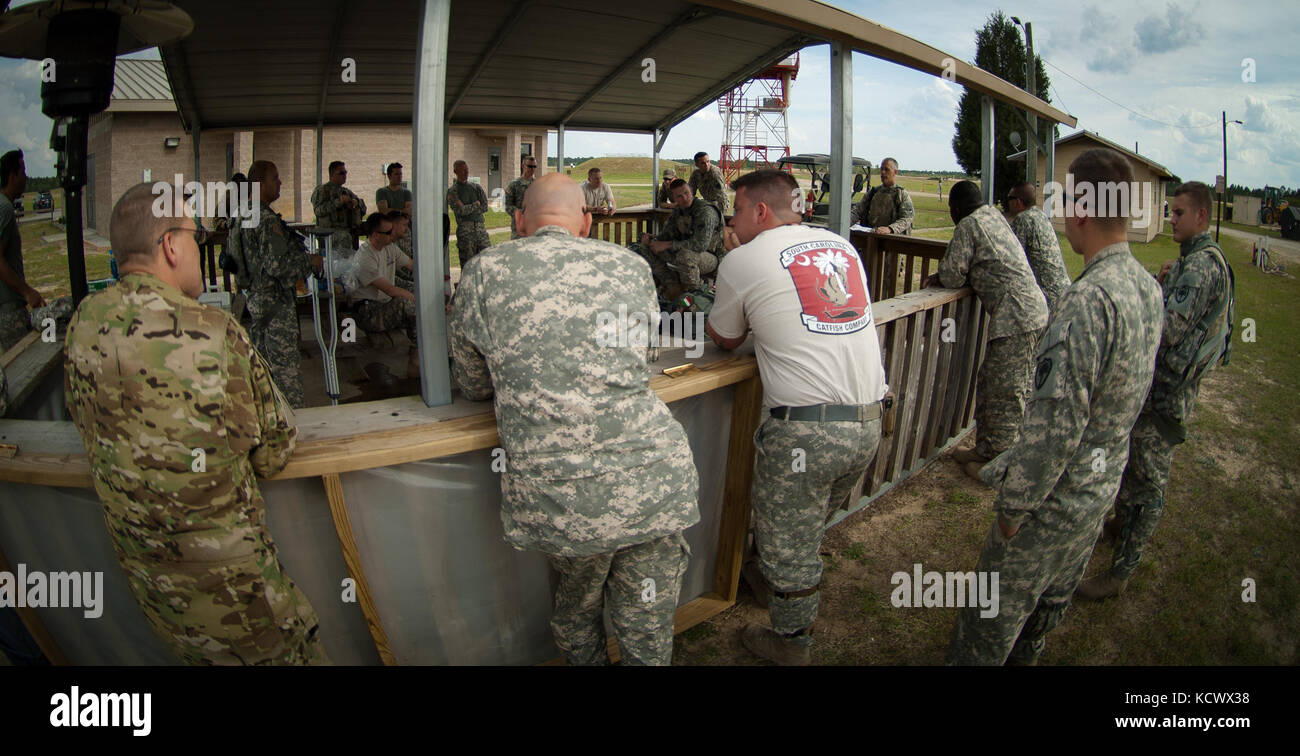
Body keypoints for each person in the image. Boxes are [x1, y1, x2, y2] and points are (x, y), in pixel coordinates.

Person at [63, 182, 329, 665]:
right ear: (168, 246)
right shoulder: (213, 332)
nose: (198, 249)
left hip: (153, 589)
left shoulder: (83, 324)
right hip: (235, 595)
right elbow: (274, 450)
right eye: (194, 237)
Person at [449, 173, 698, 665]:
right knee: (646, 625)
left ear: (519, 222)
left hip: (566, 499)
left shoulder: (483, 271)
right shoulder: (629, 266)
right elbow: (643, 356)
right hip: (654, 480)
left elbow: (475, 384)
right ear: (587, 222)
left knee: (576, 616)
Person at [945, 148, 1163, 665]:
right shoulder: (1146, 287)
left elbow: (1053, 427)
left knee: (985, 635)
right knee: (1037, 629)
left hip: (1051, 506)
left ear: (1082, 209)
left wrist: (1014, 508)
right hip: (1096, 494)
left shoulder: (1086, 302)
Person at [707, 169, 887, 666]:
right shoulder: (841, 247)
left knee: (787, 542)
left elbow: (723, 337)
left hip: (805, 431)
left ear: (759, 211)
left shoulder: (741, 259)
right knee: (800, 532)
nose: (733, 221)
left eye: (737, 211)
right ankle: (783, 584)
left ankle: (791, 643)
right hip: (869, 419)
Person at [1076, 181, 1235, 600]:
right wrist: (1161, 281)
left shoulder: (1201, 266)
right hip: (1161, 389)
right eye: (1171, 211)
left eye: (1179, 212)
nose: (1172, 218)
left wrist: (1142, 303)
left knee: (1148, 483)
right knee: (1133, 466)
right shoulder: (1193, 261)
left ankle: (1122, 570)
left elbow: (1168, 328)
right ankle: (1118, 525)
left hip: (1168, 395)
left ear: (1201, 216)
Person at [924, 180, 1048, 480]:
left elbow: (953, 275)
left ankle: (1001, 465)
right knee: (995, 381)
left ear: (956, 209)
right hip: (1028, 312)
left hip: (1018, 317)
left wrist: (937, 278)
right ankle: (987, 448)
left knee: (1007, 391)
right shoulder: (993, 216)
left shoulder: (969, 225)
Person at [245, 160, 325, 409]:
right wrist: (310, 262)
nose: (280, 183)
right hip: (275, 308)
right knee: (286, 375)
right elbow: (278, 266)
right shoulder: (266, 220)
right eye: (275, 178)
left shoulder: (245, 214)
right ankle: (293, 426)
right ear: (260, 183)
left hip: (256, 304)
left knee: (262, 373)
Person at [353, 212, 418, 379]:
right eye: (388, 232)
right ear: (375, 235)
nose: (392, 234)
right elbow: (390, 290)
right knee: (409, 304)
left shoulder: (389, 247)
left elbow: (411, 265)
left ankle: (419, 351)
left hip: (384, 305)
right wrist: (420, 299)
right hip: (368, 312)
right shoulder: (364, 257)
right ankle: (418, 356)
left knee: (414, 301)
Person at [629, 179, 721, 296]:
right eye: (679, 196)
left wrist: (668, 245)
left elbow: (700, 245)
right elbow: (666, 234)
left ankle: (694, 296)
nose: (685, 198)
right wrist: (653, 239)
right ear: (673, 198)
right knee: (648, 247)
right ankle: (671, 285)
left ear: (691, 191)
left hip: (711, 257)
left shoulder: (705, 211)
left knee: (685, 256)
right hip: (685, 251)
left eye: (686, 193)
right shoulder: (678, 211)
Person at [0, 150, 44, 351]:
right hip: (9, 309)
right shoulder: (5, 209)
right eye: (23, 171)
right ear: (12, 176)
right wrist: (28, 293)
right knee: (23, 368)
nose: (26, 177)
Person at [1006, 181, 1071, 315]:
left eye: (1009, 198)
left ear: (1018, 201)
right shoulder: (1040, 215)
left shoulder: (1023, 219)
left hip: (1048, 298)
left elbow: (1011, 258)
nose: (1008, 202)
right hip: (1063, 292)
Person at [311, 161, 366, 253]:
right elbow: (318, 211)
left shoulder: (346, 192)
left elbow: (363, 207)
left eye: (345, 172)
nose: (344, 175)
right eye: (341, 173)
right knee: (344, 237)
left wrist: (355, 203)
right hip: (327, 233)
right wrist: (338, 202)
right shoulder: (321, 191)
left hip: (347, 231)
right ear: (332, 174)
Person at [447, 159, 490, 267]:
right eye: (462, 170)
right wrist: (476, 204)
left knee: (487, 260)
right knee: (468, 265)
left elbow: (485, 207)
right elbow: (461, 211)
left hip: (480, 230)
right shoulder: (453, 191)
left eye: (467, 170)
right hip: (465, 233)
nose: (466, 173)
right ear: (455, 171)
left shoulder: (476, 187)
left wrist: (469, 208)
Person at [854, 157, 913, 234]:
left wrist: (890, 229)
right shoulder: (873, 192)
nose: (883, 172)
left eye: (887, 170)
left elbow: (907, 218)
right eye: (881, 169)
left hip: (893, 240)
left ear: (895, 172)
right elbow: (858, 211)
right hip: (873, 238)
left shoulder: (901, 194)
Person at [504, 156, 539, 239]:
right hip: (519, 229)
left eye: (535, 166)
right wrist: (520, 213)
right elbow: (507, 205)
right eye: (530, 166)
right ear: (523, 166)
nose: (532, 169)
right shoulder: (514, 185)